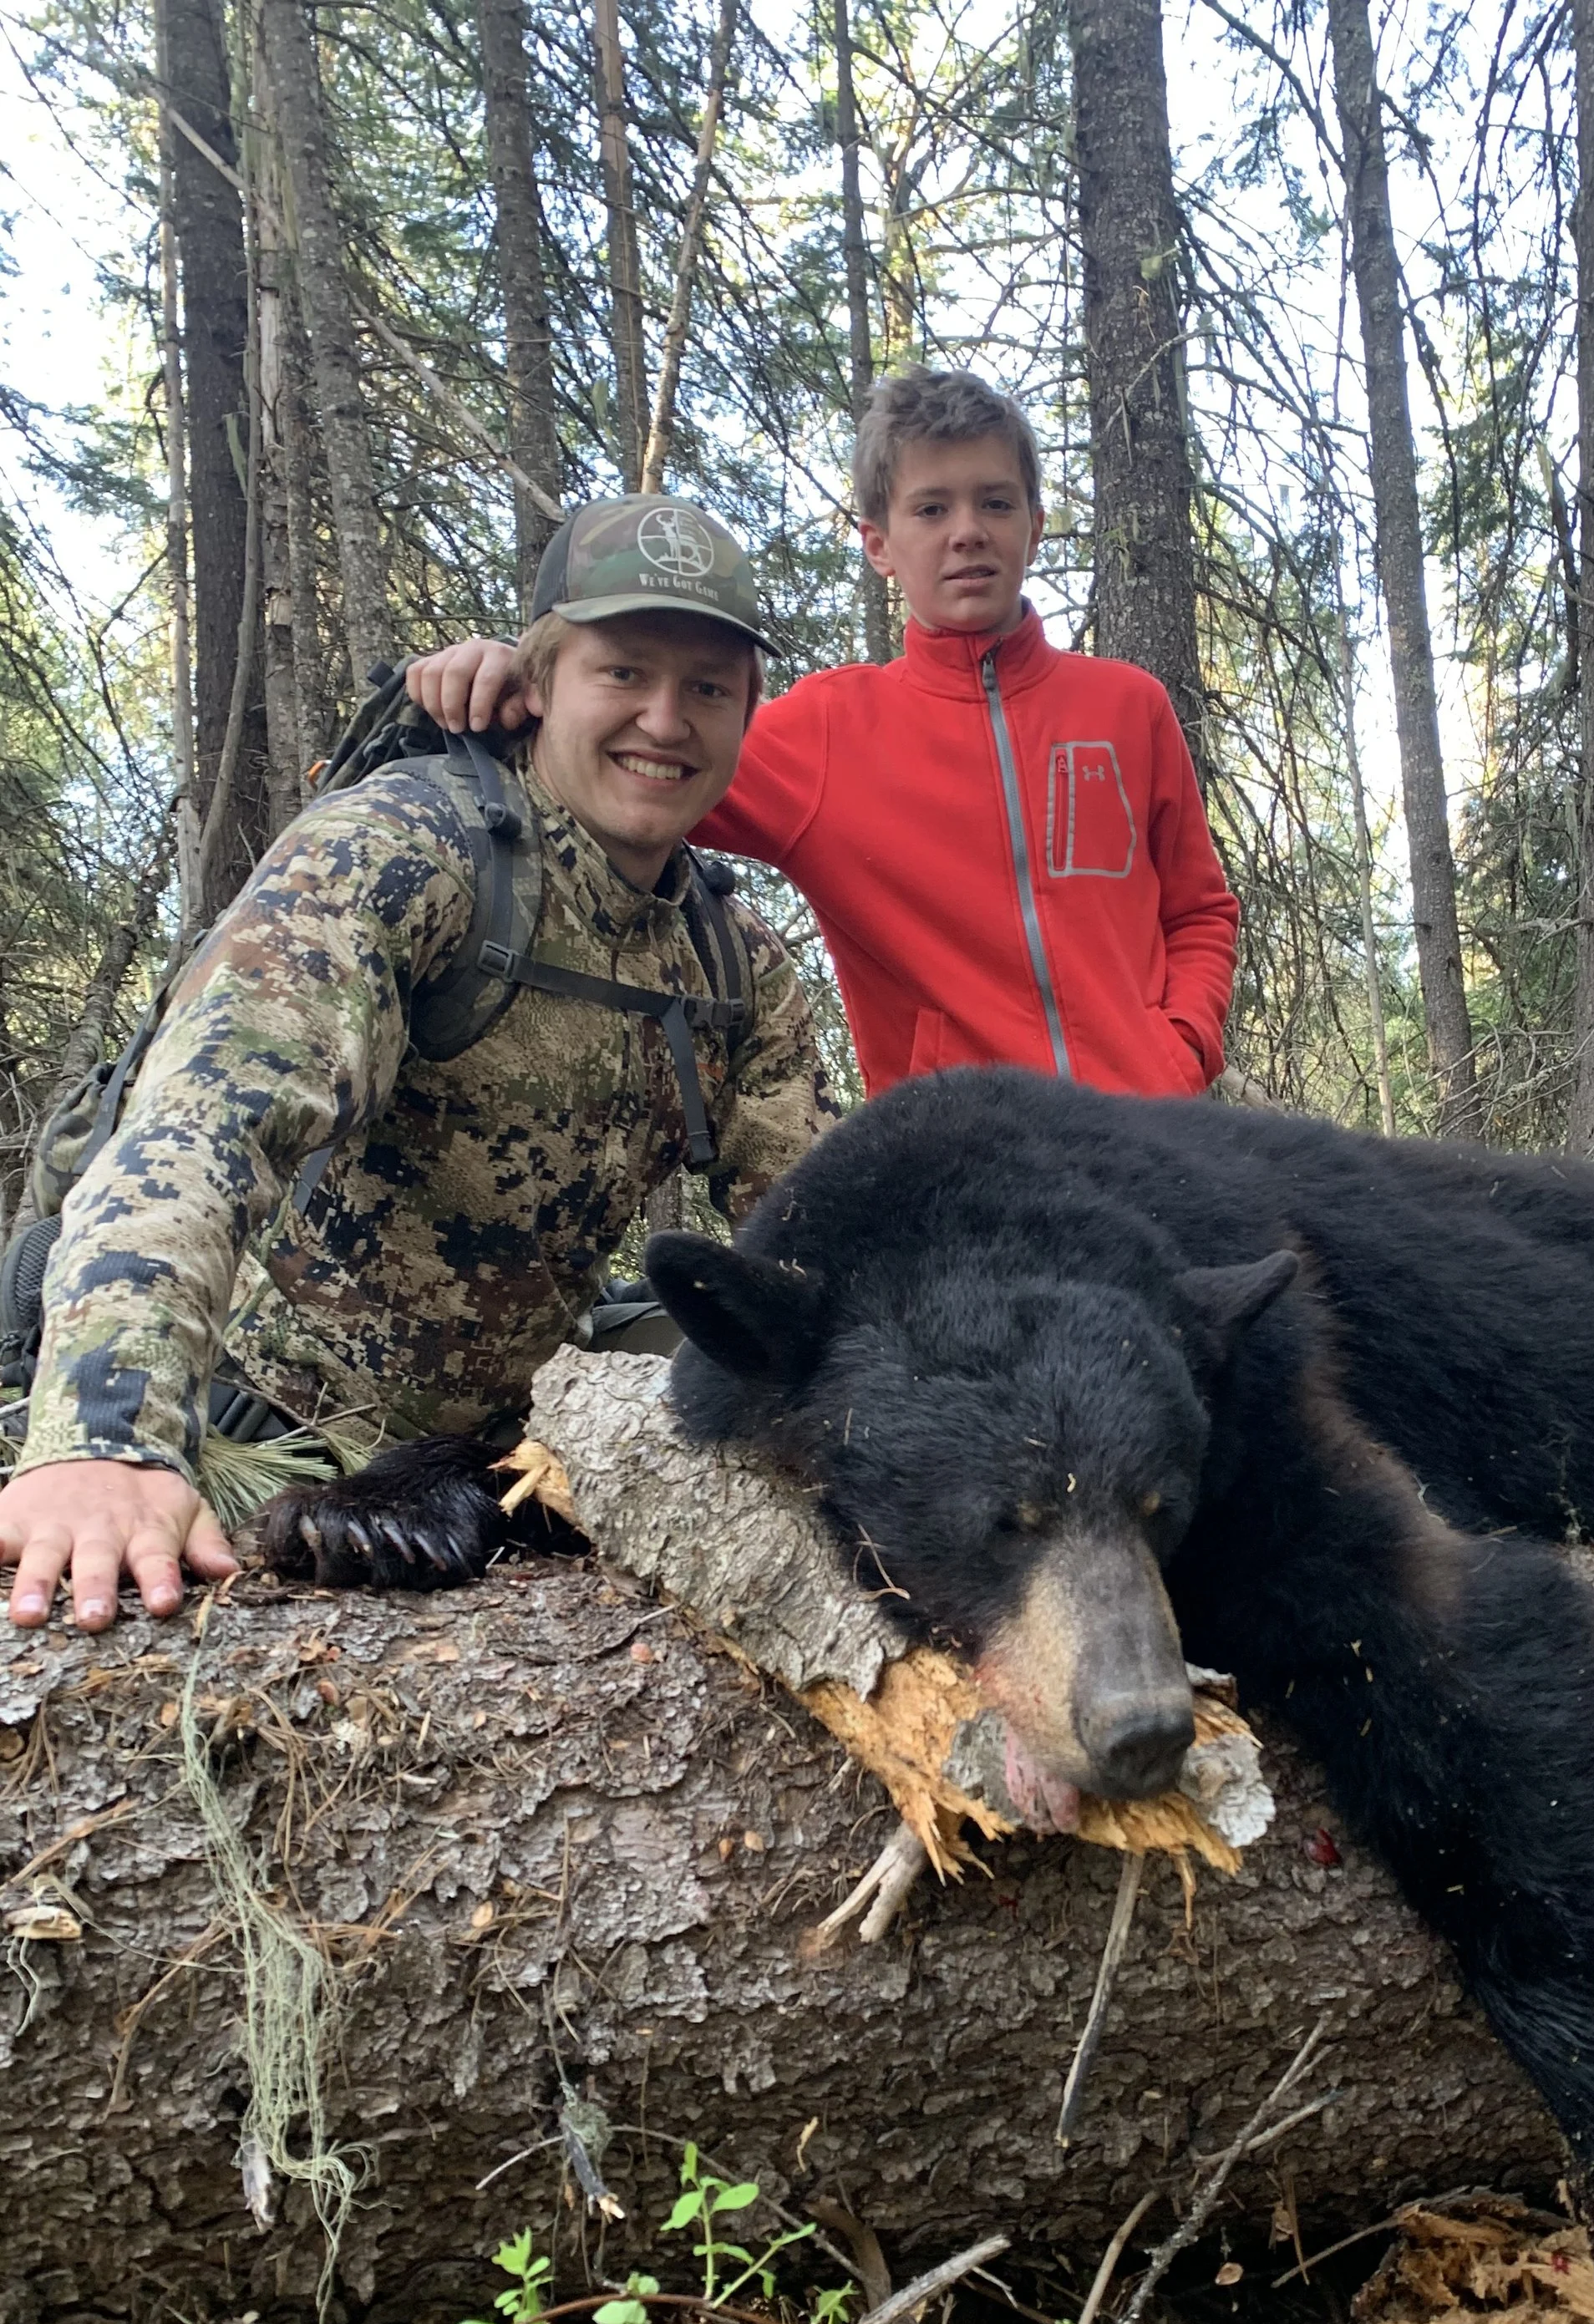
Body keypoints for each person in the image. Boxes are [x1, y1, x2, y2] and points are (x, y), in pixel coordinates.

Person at [2, 496, 835, 1633]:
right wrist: (106, 1443)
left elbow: (819, 1239)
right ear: (541, 679)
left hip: (485, 1449)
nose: (665, 718)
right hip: (260, 1414)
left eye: (707, 689)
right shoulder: (402, 854)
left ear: (747, 713)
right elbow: (199, 1129)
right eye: (624, 672)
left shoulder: (733, 963)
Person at [408, 368, 1238, 1099]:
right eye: (930, 508)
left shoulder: (1127, 708)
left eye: (995, 501)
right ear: (879, 543)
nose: (967, 531)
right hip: (959, 1169)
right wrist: (513, 680)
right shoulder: (828, 731)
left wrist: (1181, 1051)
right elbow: (623, 771)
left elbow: (1199, 911)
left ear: (1035, 522)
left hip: (1149, 1137)